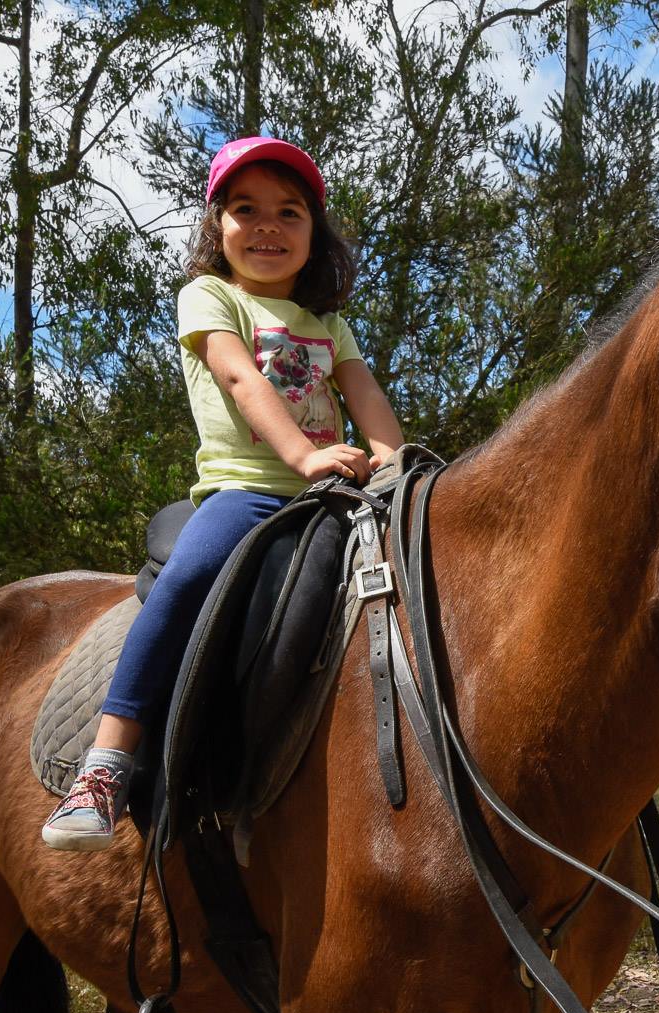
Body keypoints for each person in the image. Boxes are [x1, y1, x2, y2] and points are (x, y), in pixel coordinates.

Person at [42, 136, 404, 851]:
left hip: (330, 496)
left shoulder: (331, 325)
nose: (268, 225)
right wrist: (304, 454)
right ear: (217, 229)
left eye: (289, 212)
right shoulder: (210, 297)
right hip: (247, 493)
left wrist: (395, 461)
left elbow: (365, 395)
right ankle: (105, 767)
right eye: (246, 209)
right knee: (190, 579)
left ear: (314, 233)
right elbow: (242, 381)